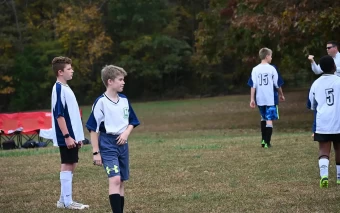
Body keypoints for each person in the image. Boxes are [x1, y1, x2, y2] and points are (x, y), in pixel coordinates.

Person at [86, 65, 140, 213]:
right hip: (107, 144)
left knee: (121, 180)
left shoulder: (123, 99)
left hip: (123, 144)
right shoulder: (101, 102)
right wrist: (96, 152)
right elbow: (93, 128)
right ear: (110, 81)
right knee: (115, 179)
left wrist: (125, 134)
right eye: (120, 79)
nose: (123, 82)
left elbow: (133, 121)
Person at [51, 56, 89, 209]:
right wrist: (67, 136)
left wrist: (78, 136)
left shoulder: (66, 87)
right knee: (67, 164)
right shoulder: (59, 88)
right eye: (69, 69)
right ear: (60, 72)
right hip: (66, 136)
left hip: (73, 136)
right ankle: (67, 202)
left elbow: (72, 114)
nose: (72, 70)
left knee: (71, 163)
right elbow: (59, 115)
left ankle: (63, 200)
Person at [309, 55, 340, 188]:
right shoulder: (339, 81)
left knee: (323, 150)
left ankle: (324, 176)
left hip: (323, 123)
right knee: (338, 148)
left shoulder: (316, 84)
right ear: (334, 66)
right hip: (338, 121)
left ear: (320, 68)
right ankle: (339, 177)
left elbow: (311, 104)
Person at [249, 48, 285, 148]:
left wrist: (252, 99)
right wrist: (281, 94)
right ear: (267, 56)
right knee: (269, 120)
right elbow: (277, 84)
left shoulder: (255, 69)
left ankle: (263, 140)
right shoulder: (272, 68)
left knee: (263, 118)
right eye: (271, 56)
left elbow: (253, 85)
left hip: (260, 99)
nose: (271, 58)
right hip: (270, 99)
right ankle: (267, 142)